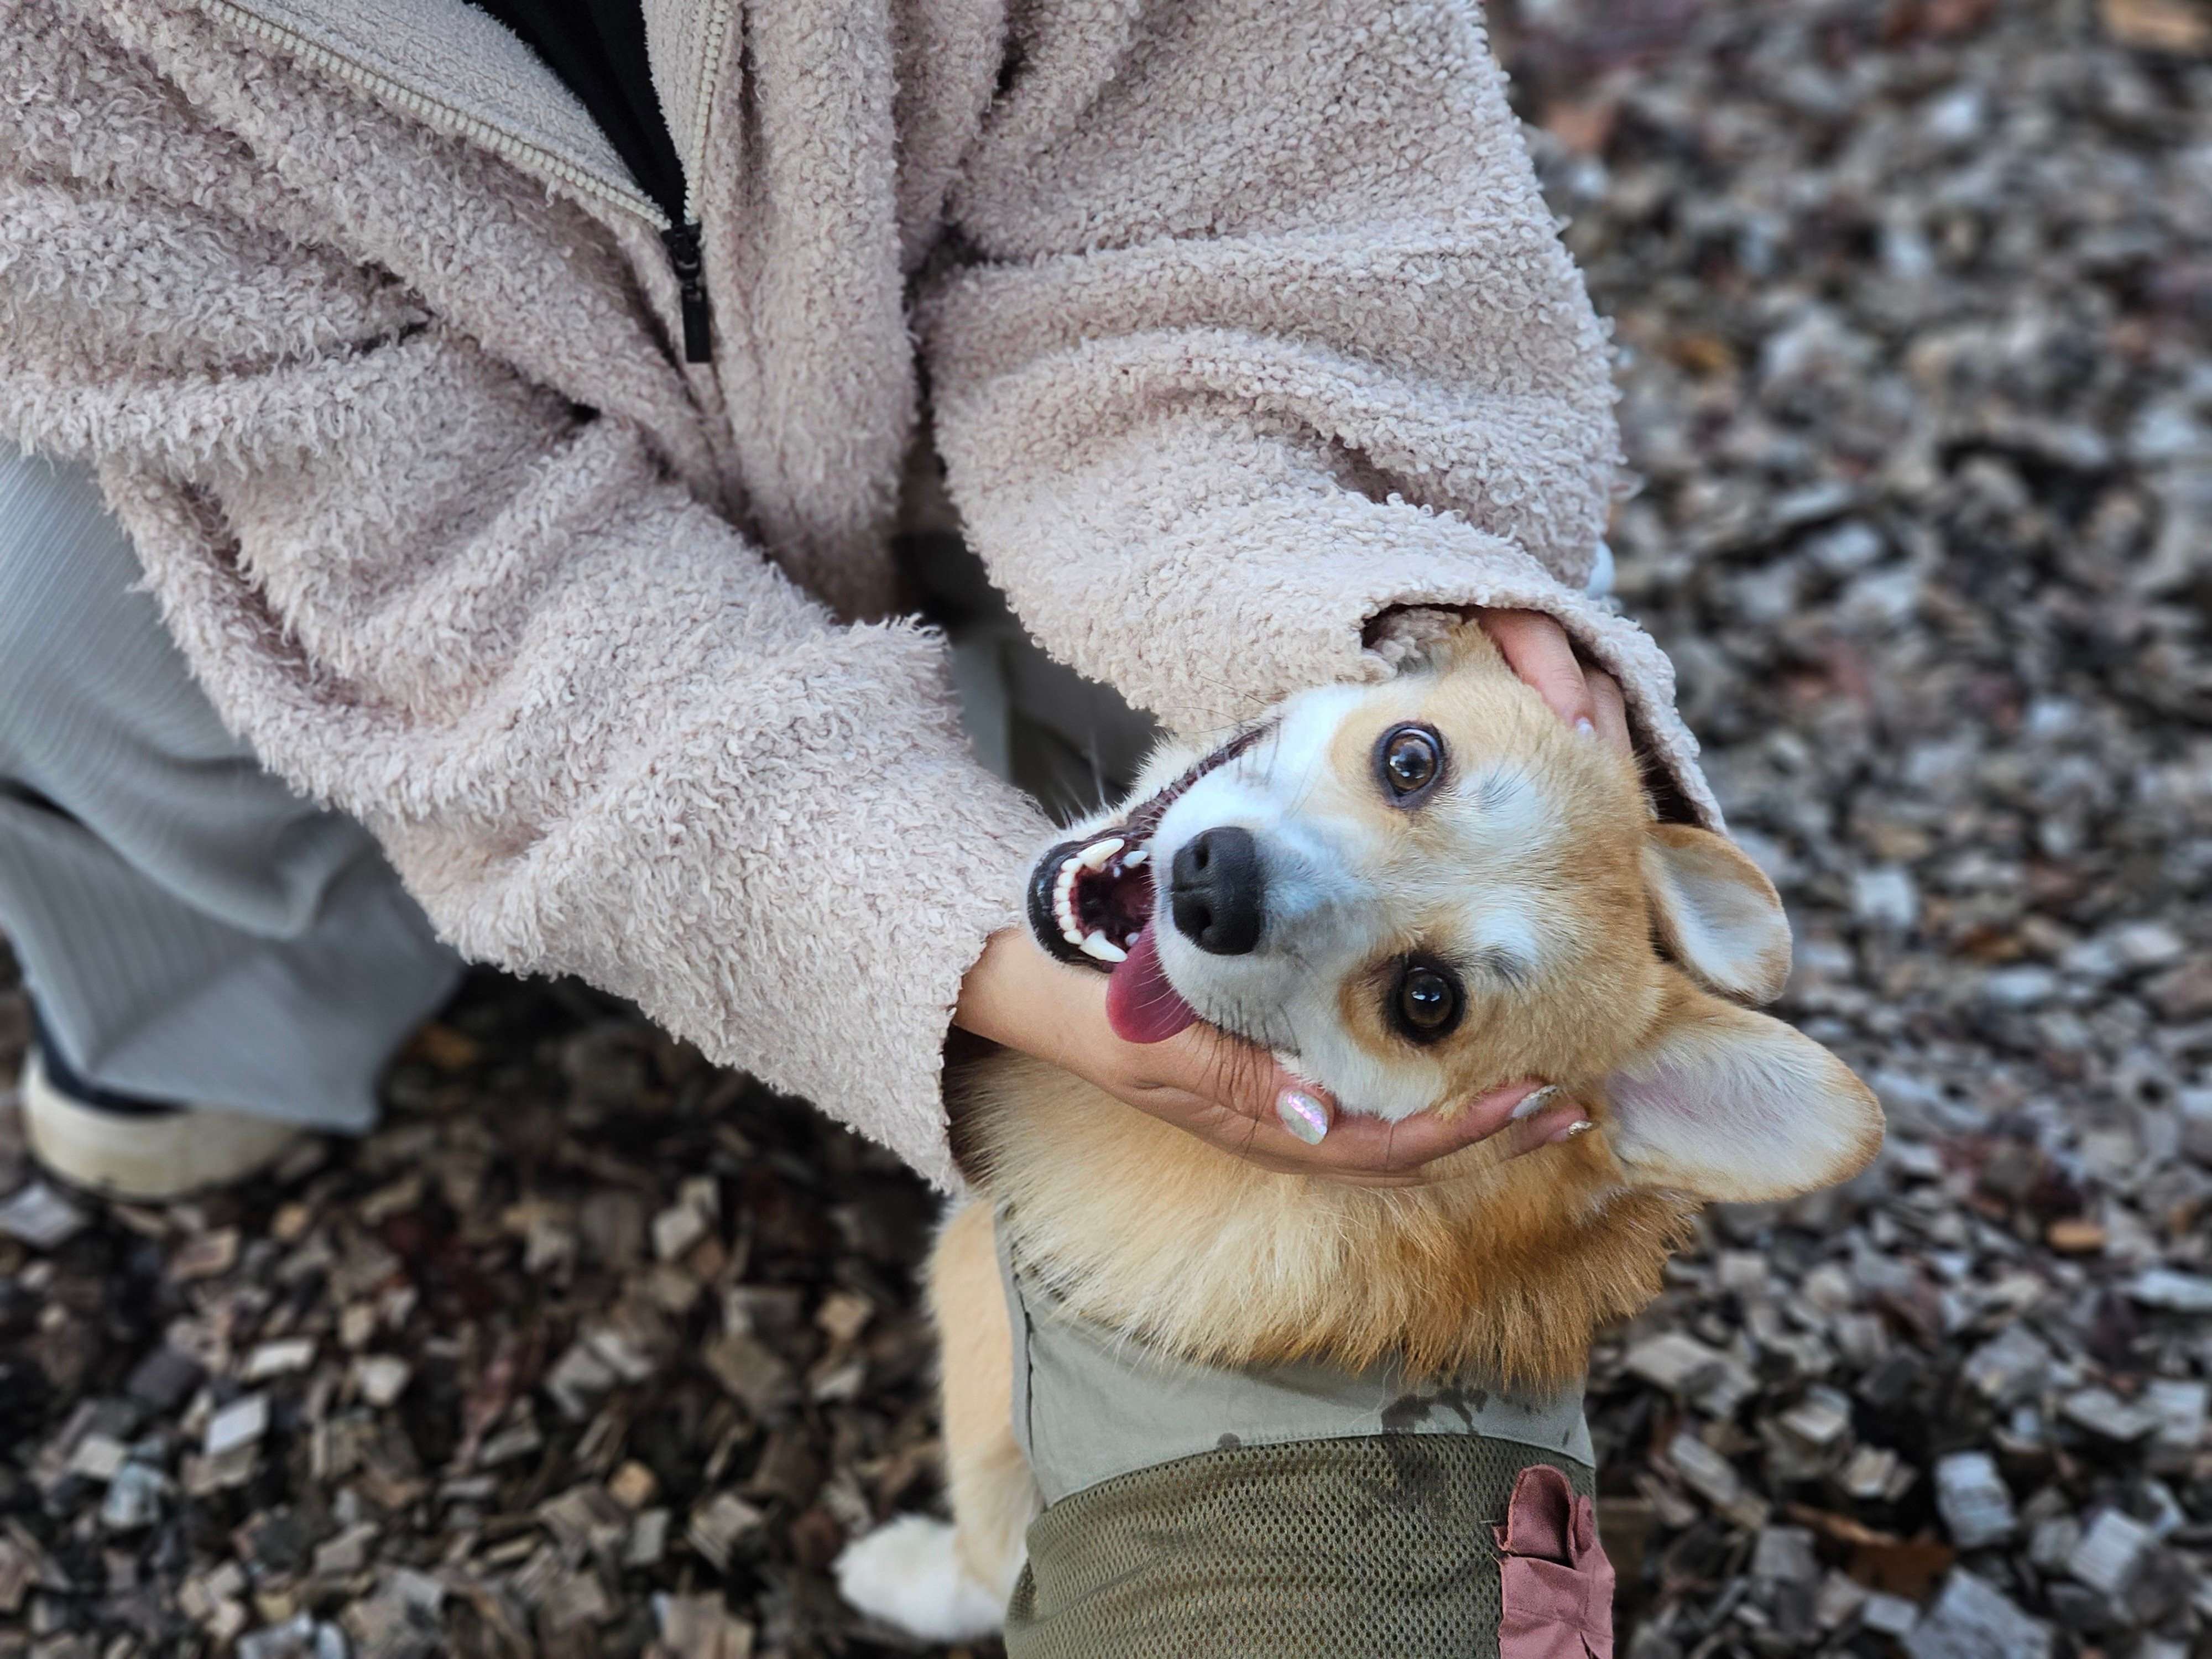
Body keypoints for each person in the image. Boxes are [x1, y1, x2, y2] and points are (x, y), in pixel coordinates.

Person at [0, 0, 1721, 1202]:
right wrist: (928, 927)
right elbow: (457, 563)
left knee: (1408, 575)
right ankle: (255, 970)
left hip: (1045, 437)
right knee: (35, 555)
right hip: (437, 547)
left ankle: (1314, 1470)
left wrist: (1327, 595)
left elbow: (1256, 206)